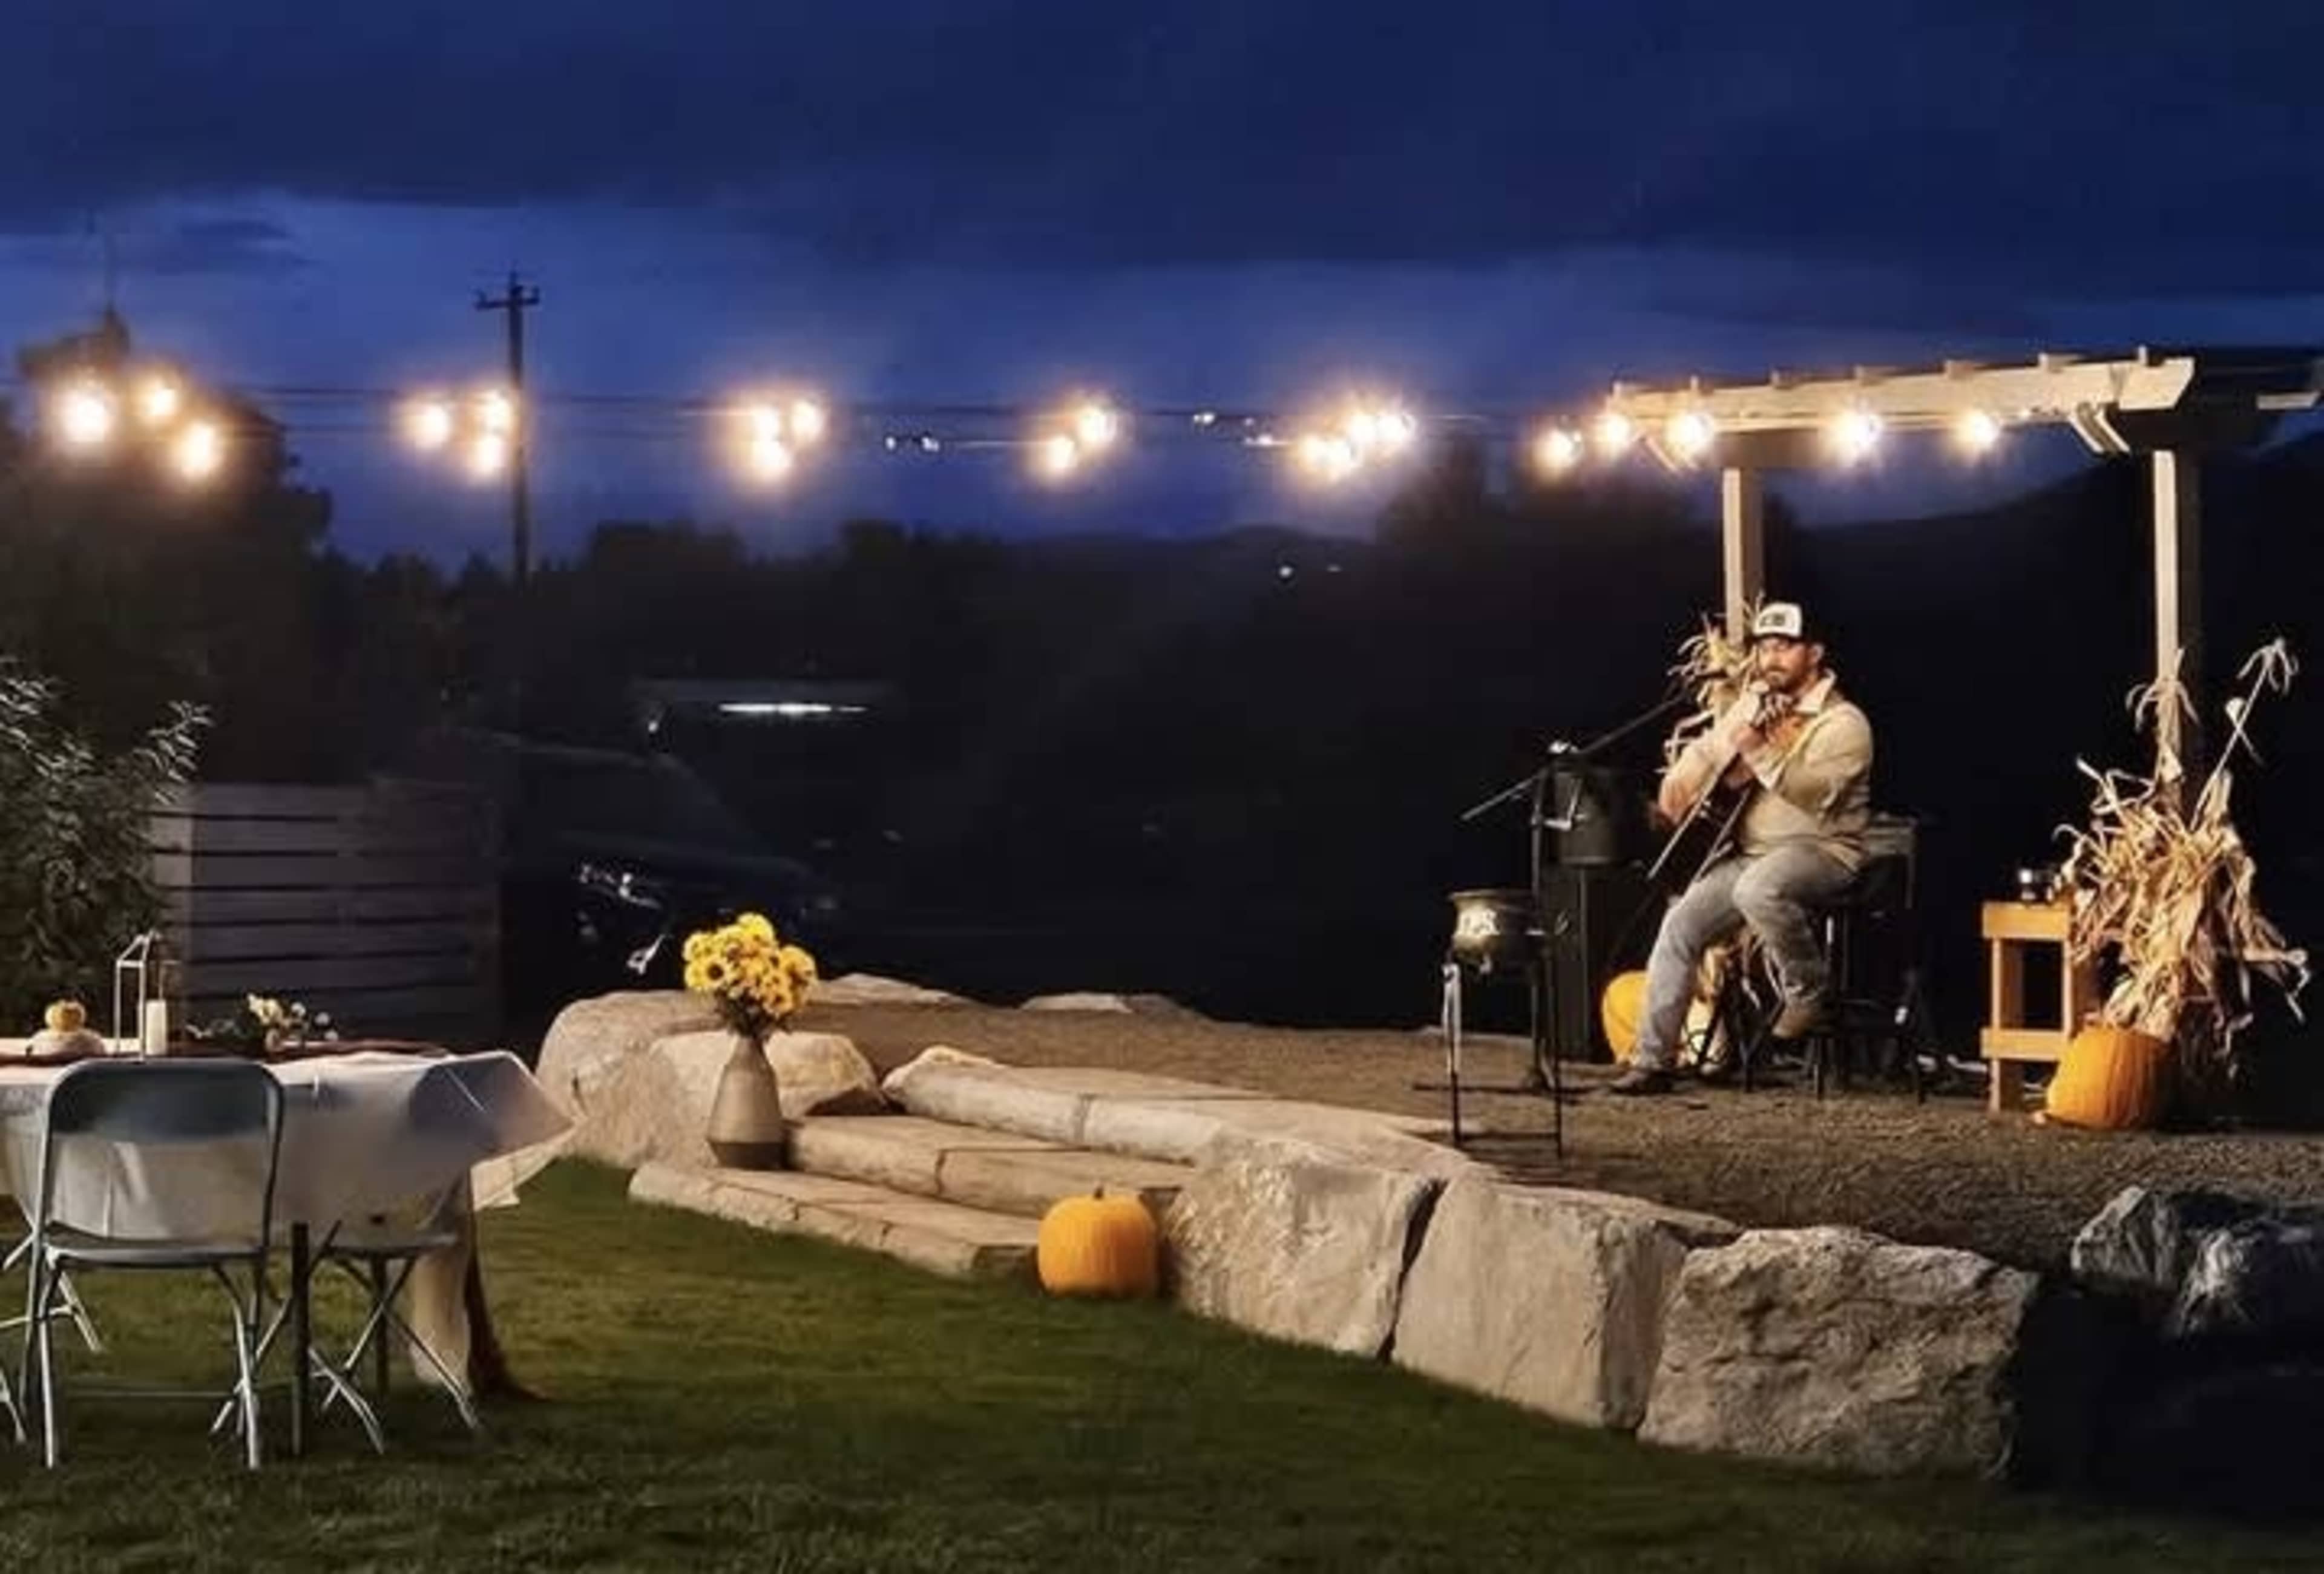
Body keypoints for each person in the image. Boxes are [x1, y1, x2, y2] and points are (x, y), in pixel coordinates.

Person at [1607, 600, 1874, 1095]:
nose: (1771, 658)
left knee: (1759, 888)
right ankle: (1652, 1060)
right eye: (1765, 647)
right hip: (1755, 854)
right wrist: (1682, 779)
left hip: (1824, 851)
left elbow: (1813, 792)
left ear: (1814, 653)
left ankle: (1810, 989)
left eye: (1785, 647)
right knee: (1681, 924)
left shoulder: (1845, 723)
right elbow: (1711, 748)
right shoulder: (1753, 703)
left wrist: (1758, 749)